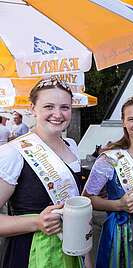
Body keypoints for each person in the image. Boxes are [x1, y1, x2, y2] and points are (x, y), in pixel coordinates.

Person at [0, 77, 83, 268]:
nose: (58, 114)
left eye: (65, 107)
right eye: (48, 107)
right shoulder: (13, 153)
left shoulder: (71, 146)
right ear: (32, 109)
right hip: (32, 253)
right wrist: (37, 222)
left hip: (71, 247)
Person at [83, 95, 133, 268]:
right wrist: (119, 204)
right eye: (131, 119)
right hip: (122, 234)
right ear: (124, 123)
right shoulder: (110, 158)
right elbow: (87, 198)